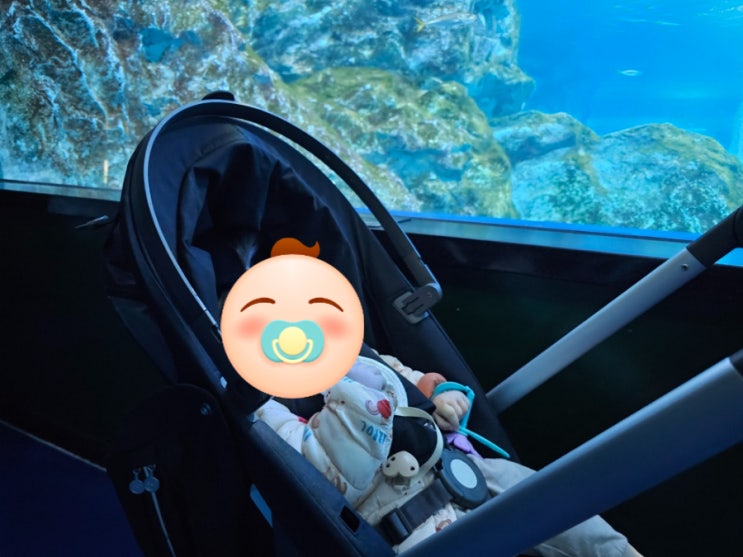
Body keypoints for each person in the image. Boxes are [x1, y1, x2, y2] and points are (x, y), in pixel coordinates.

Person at [256, 351, 643, 556]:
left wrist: (440, 395)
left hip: (458, 469)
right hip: (395, 515)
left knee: (549, 501)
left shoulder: (354, 355)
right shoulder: (273, 409)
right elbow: (281, 439)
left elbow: (409, 380)